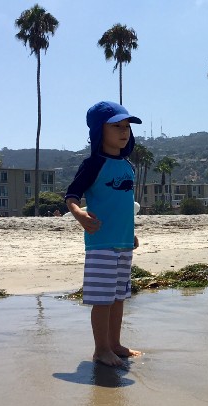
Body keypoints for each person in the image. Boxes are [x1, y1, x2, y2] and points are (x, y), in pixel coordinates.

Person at [65, 101, 142, 367]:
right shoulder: (93, 164)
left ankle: (115, 344)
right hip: (101, 243)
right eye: (117, 126)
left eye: (127, 127)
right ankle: (100, 349)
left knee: (119, 297)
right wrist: (79, 214)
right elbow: (72, 195)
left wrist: (130, 234)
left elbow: (125, 207)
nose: (124, 132)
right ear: (100, 131)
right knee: (103, 300)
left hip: (122, 243)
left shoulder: (128, 167)